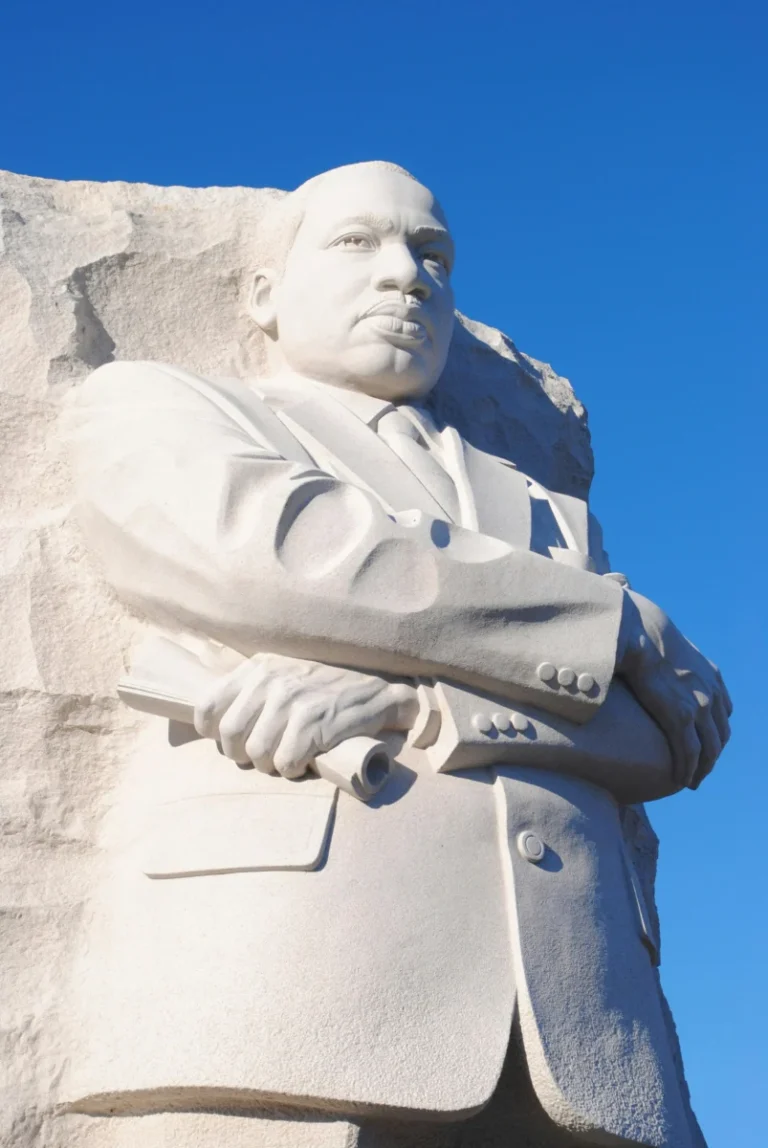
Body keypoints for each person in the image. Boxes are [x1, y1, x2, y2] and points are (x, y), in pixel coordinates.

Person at [70, 161, 730, 1147]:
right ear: (263, 294)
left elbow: (671, 735)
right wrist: (615, 619)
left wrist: (417, 705)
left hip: (583, 1022)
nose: (406, 275)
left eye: (433, 255)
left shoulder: (551, 518)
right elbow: (276, 552)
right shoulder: (163, 407)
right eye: (357, 243)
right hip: (280, 985)